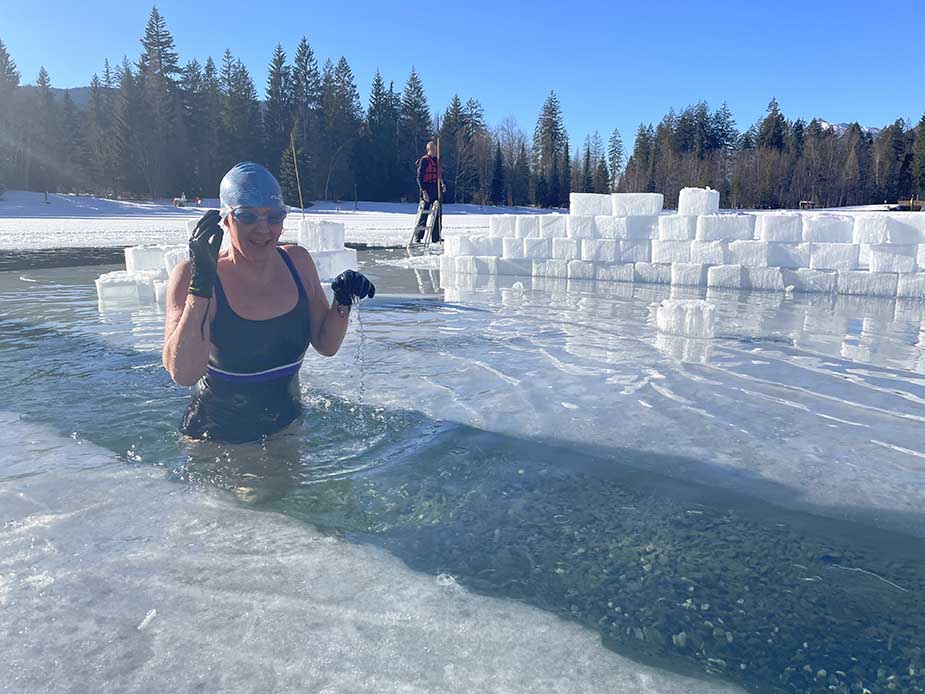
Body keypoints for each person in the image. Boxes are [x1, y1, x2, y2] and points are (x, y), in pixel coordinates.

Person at [162, 161, 375, 443]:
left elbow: (326, 344)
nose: (264, 229)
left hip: (285, 428)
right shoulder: (192, 275)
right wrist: (200, 288)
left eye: (274, 217)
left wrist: (343, 301)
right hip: (216, 440)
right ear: (225, 219)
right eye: (248, 216)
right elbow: (184, 373)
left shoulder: (297, 263)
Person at [413, 140, 445, 243]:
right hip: (426, 189)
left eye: (436, 149)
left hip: (436, 189)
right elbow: (419, 177)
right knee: (424, 214)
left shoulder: (437, 161)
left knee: (437, 213)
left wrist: (443, 184)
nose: (435, 151)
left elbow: (440, 174)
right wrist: (423, 191)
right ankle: (418, 236)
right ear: (429, 150)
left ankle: (436, 237)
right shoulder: (424, 161)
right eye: (433, 149)